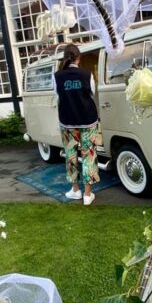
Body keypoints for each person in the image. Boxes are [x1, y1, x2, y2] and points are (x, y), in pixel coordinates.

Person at [53, 43, 100, 205]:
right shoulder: (87, 74)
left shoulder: (57, 76)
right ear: (79, 58)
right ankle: (88, 194)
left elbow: (58, 96)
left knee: (71, 155)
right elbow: (92, 94)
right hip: (88, 120)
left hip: (67, 121)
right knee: (89, 155)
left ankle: (75, 190)